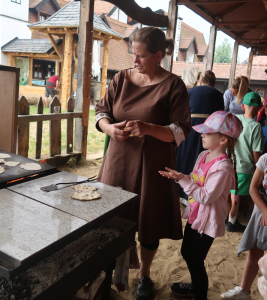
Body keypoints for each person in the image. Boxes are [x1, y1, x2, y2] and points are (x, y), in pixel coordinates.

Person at [95, 26, 191, 300]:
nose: (134, 61)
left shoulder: (174, 85)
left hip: (153, 167)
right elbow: (101, 111)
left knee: (148, 225)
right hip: (117, 163)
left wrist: (149, 128)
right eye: (132, 55)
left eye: (140, 56)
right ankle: (111, 272)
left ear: (158, 55)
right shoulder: (120, 79)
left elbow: (181, 131)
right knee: (111, 222)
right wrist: (109, 128)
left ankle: (144, 274)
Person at [159, 111, 243, 300]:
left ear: (223, 140)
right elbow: (196, 181)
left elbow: (206, 196)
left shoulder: (222, 169)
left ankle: (199, 292)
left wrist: (182, 180)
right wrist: (180, 177)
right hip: (195, 216)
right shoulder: (204, 155)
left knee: (195, 259)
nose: (202, 134)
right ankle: (195, 286)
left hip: (207, 223)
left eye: (207, 132)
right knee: (186, 252)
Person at [221, 152, 267, 300]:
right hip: (262, 212)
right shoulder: (265, 159)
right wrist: (265, 211)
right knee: (255, 251)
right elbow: (253, 188)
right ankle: (244, 291)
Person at [176, 70, 224, 205]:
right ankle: (197, 193)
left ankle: (180, 191)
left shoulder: (190, 92)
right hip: (208, 133)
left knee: (185, 158)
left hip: (189, 130)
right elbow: (220, 118)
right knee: (201, 160)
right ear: (213, 83)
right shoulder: (218, 95)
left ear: (201, 81)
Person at [226, 92, 264, 232]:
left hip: (230, 163)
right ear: (259, 107)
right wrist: (259, 170)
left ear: (242, 106)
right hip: (245, 168)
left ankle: (229, 218)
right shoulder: (256, 127)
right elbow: (256, 153)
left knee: (231, 192)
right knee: (237, 195)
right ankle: (232, 222)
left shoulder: (235, 119)